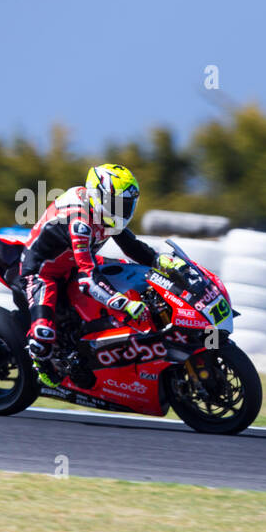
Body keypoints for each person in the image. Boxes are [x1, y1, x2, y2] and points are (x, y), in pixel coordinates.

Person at [18, 163, 185, 386]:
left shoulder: (103, 213)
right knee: (43, 333)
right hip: (43, 272)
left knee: (133, 274)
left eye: (127, 205)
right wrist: (123, 304)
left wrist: (158, 260)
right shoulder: (79, 222)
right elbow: (88, 279)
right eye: (117, 204)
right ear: (99, 197)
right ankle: (41, 362)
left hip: (77, 264)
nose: (122, 211)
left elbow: (131, 246)